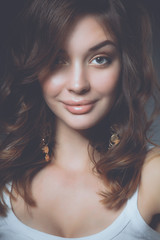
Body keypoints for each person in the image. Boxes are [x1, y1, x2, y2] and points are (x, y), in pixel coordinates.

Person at [0, 0, 160, 239]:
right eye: (57, 59)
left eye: (99, 59)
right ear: (35, 68)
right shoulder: (5, 177)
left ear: (124, 67)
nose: (78, 84)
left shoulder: (153, 174)